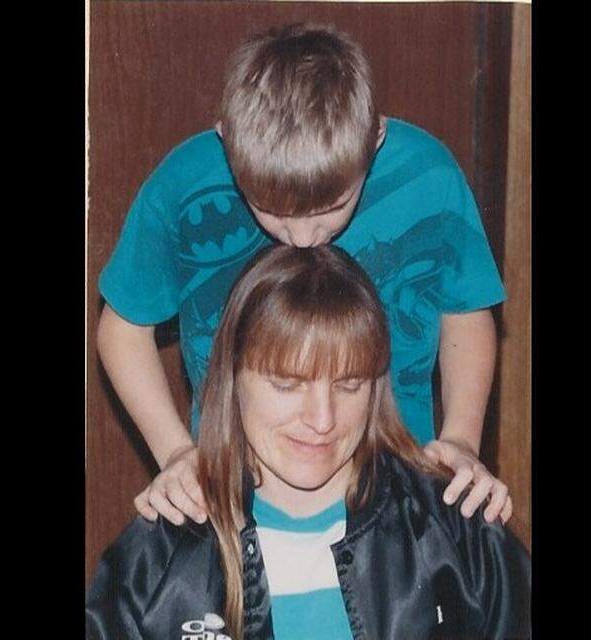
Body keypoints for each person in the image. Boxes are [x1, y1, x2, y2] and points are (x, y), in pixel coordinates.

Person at [97, 22, 512, 528]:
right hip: (235, 500)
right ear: (227, 141)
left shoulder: (429, 176)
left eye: (332, 207)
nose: (302, 237)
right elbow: (122, 330)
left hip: (395, 500)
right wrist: (176, 453)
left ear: (374, 139)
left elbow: (466, 313)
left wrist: (463, 438)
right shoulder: (183, 187)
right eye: (270, 208)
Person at [86, 246, 531, 640]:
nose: (323, 420)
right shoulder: (160, 556)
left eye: (349, 384)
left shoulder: (456, 534)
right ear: (232, 380)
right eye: (287, 384)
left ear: (377, 387)